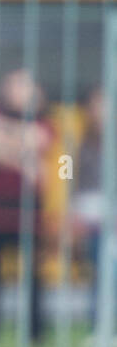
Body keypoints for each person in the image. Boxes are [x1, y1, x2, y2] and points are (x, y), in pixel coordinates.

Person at [0, 68, 54, 342]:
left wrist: (1, 137)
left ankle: (35, 334)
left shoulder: (44, 120)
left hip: (29, 207)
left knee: (34, 274)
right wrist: (24, 156)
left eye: (22, 86)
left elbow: (39, 140)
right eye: (12, 85)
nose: (16, 91)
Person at [71, 85, 107, 329]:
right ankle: (99, 326)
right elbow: (68, 175)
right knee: (100, 272)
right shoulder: (79, 142)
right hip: (91, 215)